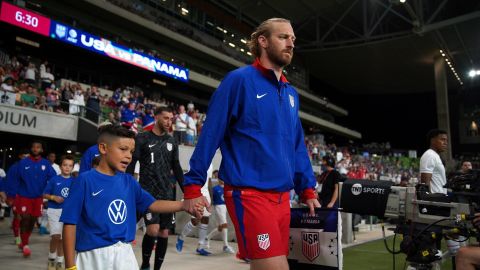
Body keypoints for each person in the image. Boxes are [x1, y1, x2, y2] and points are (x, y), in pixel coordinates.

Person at [182, 18, 320, 270]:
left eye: (293, 39)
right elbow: (210, 134)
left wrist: (307, 189)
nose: (291, 43)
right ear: (263, 41)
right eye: (283, 37)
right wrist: (193, 186)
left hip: (283, 199)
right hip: (250, 194)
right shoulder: (239, 81)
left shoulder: (291, 93)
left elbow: (297, 145)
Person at [60, 125, 202, 270]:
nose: (129, 155)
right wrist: (70, 266)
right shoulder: (84, 181)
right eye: (123, 149)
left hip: (125, 254)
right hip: (92, 256)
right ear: (103, 149)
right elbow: (70, 224)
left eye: (132, 151)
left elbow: (153, 204)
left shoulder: (129, 181)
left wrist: (184, 205)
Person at [126, 106, 185, 270]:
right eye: (166, 118)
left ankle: (157, 268)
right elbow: (133, 162)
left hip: (167, 193)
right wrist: (128, 183)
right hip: (147, 193)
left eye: (171, 119)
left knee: (164, 233)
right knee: (152, 229)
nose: (169, 122)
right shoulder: (143, 138)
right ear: (156, 117)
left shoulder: (172, 141)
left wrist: (187, 191)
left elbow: (177, 167)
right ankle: (145, 264)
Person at [15, 140, 57, 257]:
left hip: (38, 198)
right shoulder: (23, 163)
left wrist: (53, 192)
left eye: (38, 147)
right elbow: (15, 179)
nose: (35, 149)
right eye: (33, 147)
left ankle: (24, 240)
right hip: (24, 196)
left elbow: (54, 179)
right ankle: (25, 245)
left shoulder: (46, 164)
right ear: (31, 149)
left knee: (33, 220)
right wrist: (12, 196)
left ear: (42, 150)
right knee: (26, 218)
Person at [43, 155, 74, 270]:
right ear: (61, 167)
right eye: (65, 165)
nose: (67, 168)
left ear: (72, 168)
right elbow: (44, 194)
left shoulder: (74, 181)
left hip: (67, 212)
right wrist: (53, 197)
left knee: (62, 238)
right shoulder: (54, 179)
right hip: (54, 211)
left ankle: (60, 261)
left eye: (70, 166)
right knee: (55, 236)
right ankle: (51, 258)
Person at [176, 164, 213, 256]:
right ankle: (181, 237)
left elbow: (209, 181)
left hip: (206, 193)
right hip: (196, 192)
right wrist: (187, 194)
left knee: (205, 219)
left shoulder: (211, 164)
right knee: (195, 220)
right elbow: (188, 178)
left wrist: (211, 196)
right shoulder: (194, 161)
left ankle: (200, 246)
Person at [5, 148, 29, 245]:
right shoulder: (14, 168)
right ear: (20, 156)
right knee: (18, 217)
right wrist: (9, 197)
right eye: (25, 156)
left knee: (26, 218)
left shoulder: (30, 167)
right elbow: (8, 182)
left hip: (28, 197)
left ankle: (23, 238)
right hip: (15, 196)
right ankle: (17, 238)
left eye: (28, 156)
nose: (27, 158)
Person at [205, 177, 235, 254]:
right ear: (218, 180)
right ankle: (225, 246)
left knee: (220, 228)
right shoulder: (215, 188)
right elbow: (211, 198)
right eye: (221, 178)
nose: (222, 180)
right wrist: (209, 207)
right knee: (224, 225)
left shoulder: (227, 188)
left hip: (225, 207)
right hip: (218, 206)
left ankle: (207, 238)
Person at [420, 129, 448, 194]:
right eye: (442, 139)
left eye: (446, 140)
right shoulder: (429, 155)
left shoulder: (435, 156)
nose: (446, 143)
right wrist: (429, 201)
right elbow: (425, 184)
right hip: (434, 200)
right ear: (433, 141)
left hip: (439, 198)